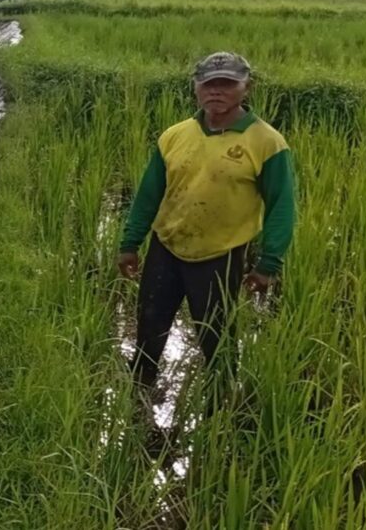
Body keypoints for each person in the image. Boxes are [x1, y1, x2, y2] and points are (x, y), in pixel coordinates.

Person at [118, 52, 296, 403]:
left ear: (247, 87)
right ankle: (139, 392)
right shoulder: (175, 136)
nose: (216, 91)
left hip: (220, 256)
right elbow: (148, 195)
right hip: (166, 246)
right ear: (196, 88)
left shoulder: (267, 142)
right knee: (150, 325)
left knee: (217, 337)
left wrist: (269, 263)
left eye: (227, 83)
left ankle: (221, 404)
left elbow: (282, 206)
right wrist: (129, 243)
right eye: (208, 83)